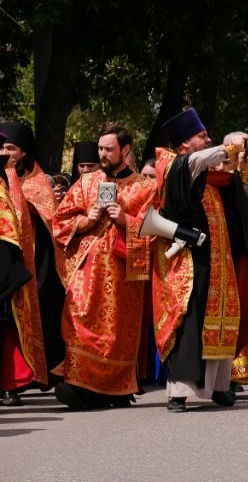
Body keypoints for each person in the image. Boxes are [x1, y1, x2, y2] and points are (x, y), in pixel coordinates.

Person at [151, 112, 248, 412]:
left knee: (221, 321)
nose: (208, 140)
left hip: (221, 261)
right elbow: (195, 162)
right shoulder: (174, 164)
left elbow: (242, 206)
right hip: (188, 262)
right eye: (202, 136)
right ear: (184, 143)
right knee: (189, 321)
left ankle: (218, 385)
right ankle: (178, 391)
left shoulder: (212, 177)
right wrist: (229, 147)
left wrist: (242, 170)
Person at [49, 125, 156, 410]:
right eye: (100, 149)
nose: (103, 154)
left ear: (125, 150)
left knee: (116, 332)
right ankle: (78, 382)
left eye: (109, 149)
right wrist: (86, 219)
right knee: (79, 319)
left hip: (123, 274)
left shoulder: (145, 188)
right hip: (86, 271)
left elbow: (155, 232)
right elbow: (59, 222)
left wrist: (125, 220)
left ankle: (113, 389)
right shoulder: (86, 182)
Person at [1, 120, 65, 385]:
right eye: (1, 147)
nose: (5, 152)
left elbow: (52, 219)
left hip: (36, 259)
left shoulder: (39, 183)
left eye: (10, 147)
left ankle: (39, 371)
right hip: (8, 255)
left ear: (24, 152)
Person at [0, 127, 47, 406]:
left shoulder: (8, 186)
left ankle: (9, 384)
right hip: (8, 263)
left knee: (7, 326)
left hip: (10, 265)